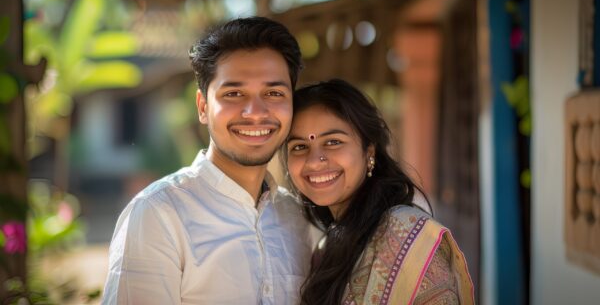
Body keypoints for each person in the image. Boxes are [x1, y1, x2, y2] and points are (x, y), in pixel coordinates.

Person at [102, 17, 320, 304]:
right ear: (203, 107)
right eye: (234, 93)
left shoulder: (301, 219)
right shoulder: (159, 215)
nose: (255, 112)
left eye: (273, 93)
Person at [284, 79, 474, 305]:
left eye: (333, 142)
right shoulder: (325, 249)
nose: (314, 161)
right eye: (299, 147)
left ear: (369, 151)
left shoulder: (409, 237)